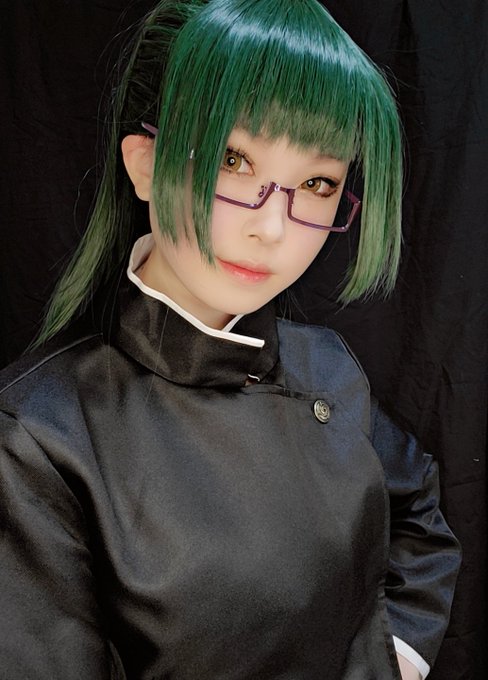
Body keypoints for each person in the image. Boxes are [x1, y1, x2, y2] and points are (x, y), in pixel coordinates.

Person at [0, 1, 461, 678]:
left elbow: (418, 510)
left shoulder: (326, 368)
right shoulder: (37, 437)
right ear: (145, 165)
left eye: (317, 183)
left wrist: (396, 659)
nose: (272, 227)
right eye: (232, 159)